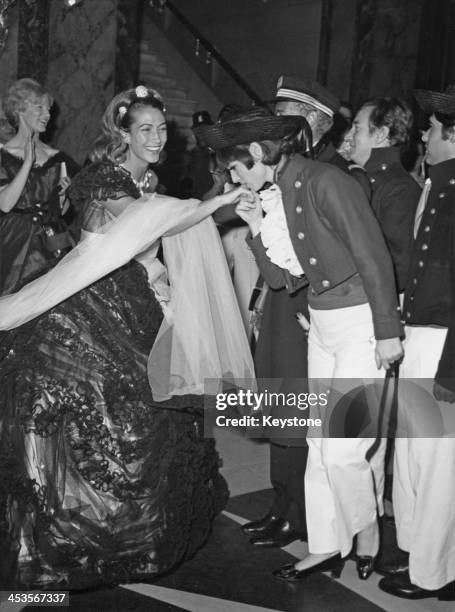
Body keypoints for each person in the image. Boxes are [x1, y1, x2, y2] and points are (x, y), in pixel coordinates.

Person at [0, 86, 254, 590]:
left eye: (162, 129)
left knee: (148, 409)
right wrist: (218, 200)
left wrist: (221, 208)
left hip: (134, 300)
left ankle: (133, 538)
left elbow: (164, 233)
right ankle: (54, 548)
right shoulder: (102, 179)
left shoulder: (149, 181)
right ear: (123, 133)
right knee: (74, 402)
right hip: (88, 302)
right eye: (146, 130)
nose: (157, 138)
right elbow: (148, 219)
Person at [198, 107, 403, 581]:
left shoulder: (325, 181)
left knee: (343, 449)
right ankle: (327, 543)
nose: (232, 177)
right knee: (317, 442)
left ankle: (367, 532)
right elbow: (283, 280)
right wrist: (253, 228)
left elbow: (372, 254)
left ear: (254, 153)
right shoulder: (274, 194)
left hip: (360, 325)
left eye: (233, 167)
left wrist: (388, 330)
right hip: (322, 327)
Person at [377, 85, 455, 602]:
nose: (423, 136)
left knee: (439, 463)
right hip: (420, 332)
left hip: (445, 341)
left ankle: (438, 572)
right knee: (413, 456)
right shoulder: (440, 184)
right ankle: (415, 552)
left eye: (431, 128)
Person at [0, 78, 80, 296]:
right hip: (15, 241)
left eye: (48, 109)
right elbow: (5, 204)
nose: (47, 114)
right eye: (39, 108)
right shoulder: (2, 156)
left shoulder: (58, 158)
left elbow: (61, 213)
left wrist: (63, 197)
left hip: (53, 239)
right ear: (20, 109)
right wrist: (27, 162)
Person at [348, 97, 421, 293]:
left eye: (357, 129)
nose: (349, 136)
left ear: (380, 134)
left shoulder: (400, 189)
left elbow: (397, 268)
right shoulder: (359, 178)